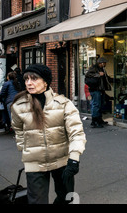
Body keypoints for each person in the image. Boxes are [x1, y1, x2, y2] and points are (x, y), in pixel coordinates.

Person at [11, 64, 86, 204]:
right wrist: (25, 150)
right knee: (37, 201)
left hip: (63, 161)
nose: (29, 83)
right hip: (34, 163)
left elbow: (77, 132)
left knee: (67, 198)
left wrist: (74, 158)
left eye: (34, 79)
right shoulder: (18, 106)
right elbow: (18, 130)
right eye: (26, 79)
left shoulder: (63, 104)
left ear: (45, 82)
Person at [85, 57, 113, 128]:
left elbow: (106, 77)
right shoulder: (94, 68)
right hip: (95, 89)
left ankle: (99, 120)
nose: (105, 64)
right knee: (96, 105)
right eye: (105, 63)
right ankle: (94, 121)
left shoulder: (102, 69)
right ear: (101, 63)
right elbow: (87, 75)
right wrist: (98, 74)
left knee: (100, 105)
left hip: (100, 89)